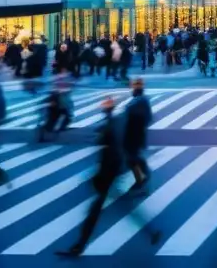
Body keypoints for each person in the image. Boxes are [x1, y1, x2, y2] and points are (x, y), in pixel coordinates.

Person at [57, 98, 161, 256]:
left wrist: (101, 175)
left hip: (110, 174)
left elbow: (113, 151)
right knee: (120, 208)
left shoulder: (116, 124)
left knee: (97, 211)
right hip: (113, 172)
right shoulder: (123, 124)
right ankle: (151, 232)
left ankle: (79, 246)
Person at [123, 79, 152, 194]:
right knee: (133, 156)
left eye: (134, 88)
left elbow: (133, 117)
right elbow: (148, 118)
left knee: (132, 158)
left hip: (134, 135)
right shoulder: (141, 101)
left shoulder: (136, 103)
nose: (132, 90)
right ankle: (142, 175)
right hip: (137, 134)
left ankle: (141, 178)